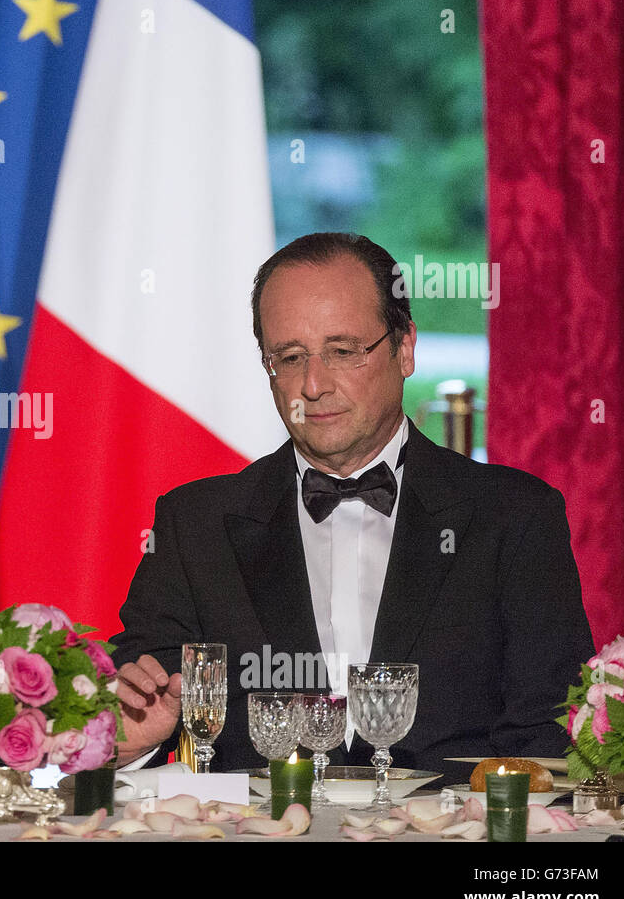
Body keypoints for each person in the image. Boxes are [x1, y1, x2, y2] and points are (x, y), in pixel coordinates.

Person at [111, 232, 593, 780]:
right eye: (289, 358)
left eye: (342, 351)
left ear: (405, 348)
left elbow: (548, 735)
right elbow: (141, 706)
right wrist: (134, 744)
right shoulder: (194, 524)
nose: (312, 385)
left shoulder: (514, 516)